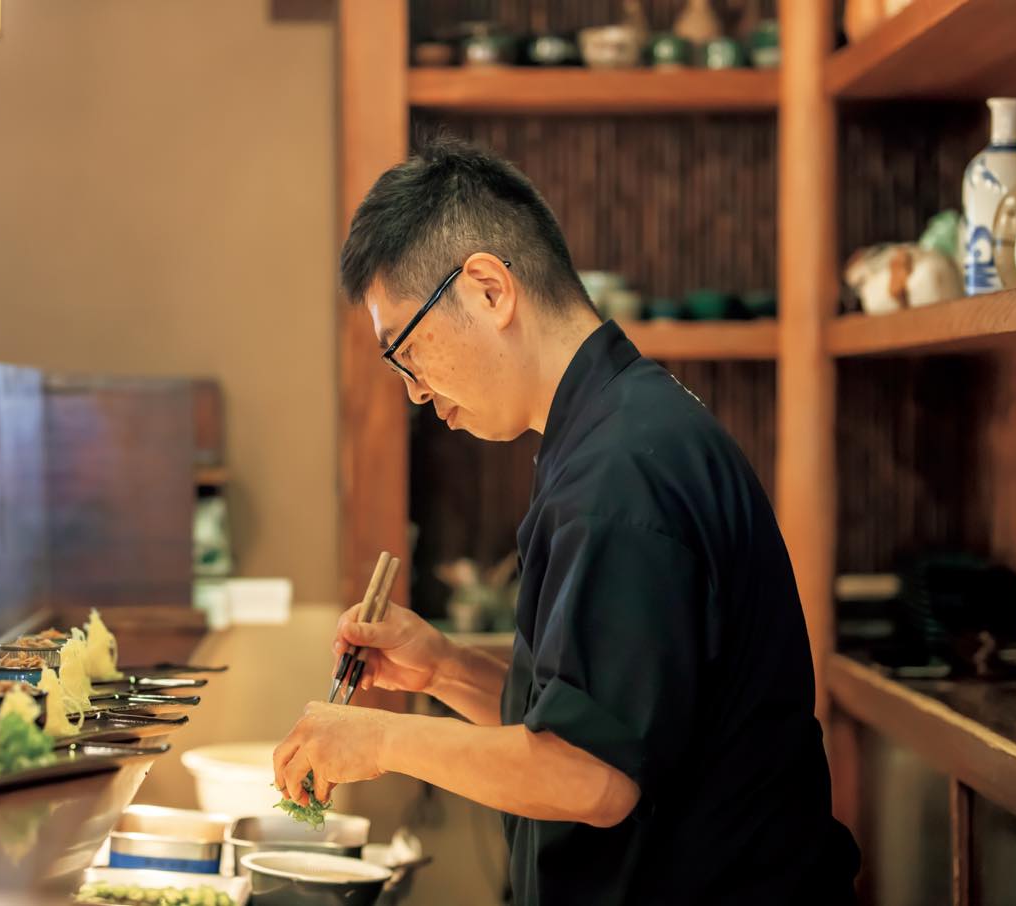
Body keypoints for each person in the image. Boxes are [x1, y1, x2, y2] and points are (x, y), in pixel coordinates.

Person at [271, 137, 860, 905]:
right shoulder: (611, 429)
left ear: (488, 288)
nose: (414, 392)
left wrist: (380, 739)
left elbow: (590, 775)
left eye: (406, 352)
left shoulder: (621, 472)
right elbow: (605, 717)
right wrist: (443, 666)